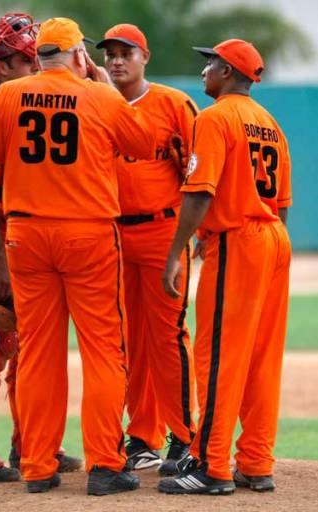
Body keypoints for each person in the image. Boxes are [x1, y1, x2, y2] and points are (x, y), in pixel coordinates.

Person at [0, 17, 157, 495]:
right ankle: (106, 466)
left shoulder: (6, 97)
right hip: (88, 235)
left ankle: (36, 465)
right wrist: (106, 83)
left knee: (37, 355)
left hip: (25, 237)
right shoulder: (99, 94)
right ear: (77, 56)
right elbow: (143, 143)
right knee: (103, 352)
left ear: (41, 55)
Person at [0, 12, 81, 484]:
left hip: (17, 234)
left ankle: (31, 443)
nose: (37, 68)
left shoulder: (13, 104)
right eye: (28, 60)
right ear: (3, 67)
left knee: (30, 347)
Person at [159, 39, 292, 495]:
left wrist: (178, 250)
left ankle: (212, 467)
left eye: (211, 62)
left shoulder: (215, 118)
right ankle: (255, 462)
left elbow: (199, 192)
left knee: (218, 356)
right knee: (260, 358)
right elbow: (283, 205)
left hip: (236, 240)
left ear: (230, 72)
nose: (204, 70)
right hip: (273, 238)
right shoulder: (271, 125)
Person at [97, 24, 198, 474]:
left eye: (126, 53)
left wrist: (193, 239)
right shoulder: (96, 103)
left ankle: (185, 437)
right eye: (111, 54)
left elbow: (200, 173)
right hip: (113, 234)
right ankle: (142, 436)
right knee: (128, 342)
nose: (117, 61)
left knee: (168, 337)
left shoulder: (175, 104)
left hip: (163, 232)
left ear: (145, 58)